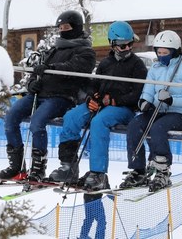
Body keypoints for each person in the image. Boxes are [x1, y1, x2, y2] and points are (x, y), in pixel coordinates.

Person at [0, 10, 96, 182]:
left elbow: (74, 68)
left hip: (61, 97)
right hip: (40, 93)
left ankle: (38, 167)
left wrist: (52, 69)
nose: (63, 30)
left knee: (37, 122)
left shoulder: (85, 51)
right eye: (61, 27)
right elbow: (39, 70)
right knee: (11, 117)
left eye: (67, 27)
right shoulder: (53, 49)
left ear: (76, 27)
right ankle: (17, 166)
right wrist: (32, 83)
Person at [48, 21, 148, 190]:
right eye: (122, 46)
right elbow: (94, 84)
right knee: (71, 117)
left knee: (98, 122)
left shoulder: (137, 66)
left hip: (123, 109)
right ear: (112, 44)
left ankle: (98, 173)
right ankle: (68, 167)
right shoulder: (106, 63)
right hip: (101, 104)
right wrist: (92, 98)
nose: (126, 49)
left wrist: (115, 100)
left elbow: (137, 94)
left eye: (129, 44)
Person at [120, 30, 182, 192]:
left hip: (180, 114)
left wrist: (172, 100)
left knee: (158, 128)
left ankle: (162, 170)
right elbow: (149, 89)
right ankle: (138, 169)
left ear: (175, 51)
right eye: (159, 52)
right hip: (157, 110)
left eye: (166, 53)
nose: (161, 55)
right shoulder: (156, 67)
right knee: (135, 125)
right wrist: (144, 101)